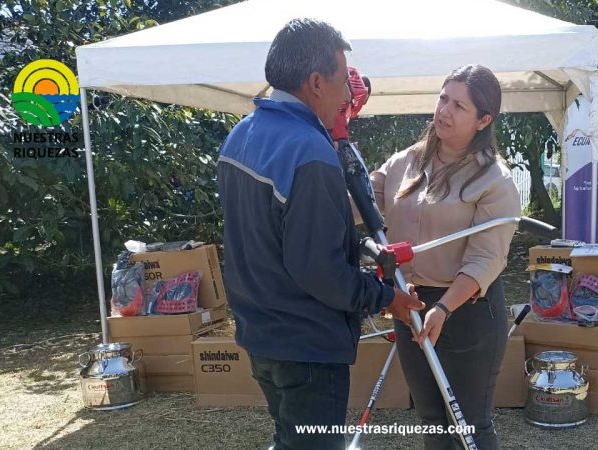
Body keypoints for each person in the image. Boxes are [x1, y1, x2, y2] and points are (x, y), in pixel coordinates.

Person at [217, 19, 423, 450]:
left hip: (261, 335)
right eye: (341, 81)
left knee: (288, 438)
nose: (349, 95)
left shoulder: (239, 136)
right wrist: (386, 298)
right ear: (315, 82)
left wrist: (360, 249)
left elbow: (268, 239)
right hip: (306, 346)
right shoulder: (311, 153)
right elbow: (320, 271)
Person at [369, 64, 521, 449]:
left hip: (467, 311)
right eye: (442, 98)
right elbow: (363, 201)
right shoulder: (407, 161)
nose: (444, 111)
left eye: (458, 105)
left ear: (483, 119)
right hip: (411, 302)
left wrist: (444, 309)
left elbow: (486, 259)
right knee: (433, 420)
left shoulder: (496, 181)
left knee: (468, 424)